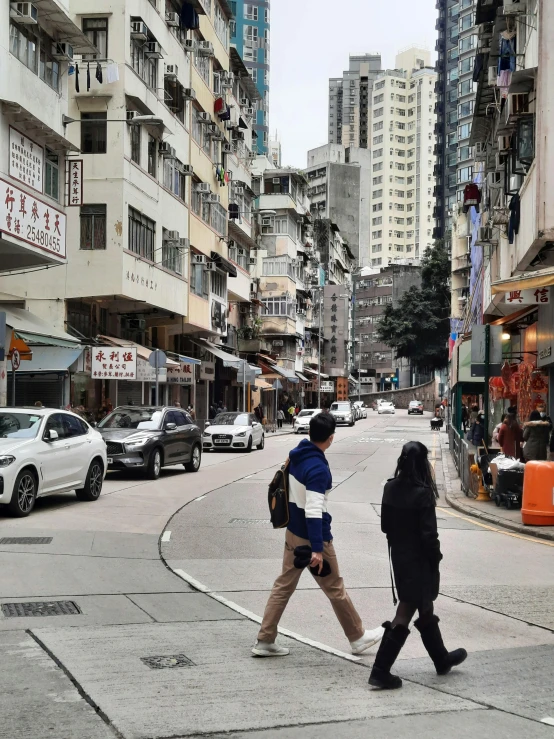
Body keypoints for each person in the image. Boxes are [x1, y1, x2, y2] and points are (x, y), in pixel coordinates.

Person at [252, 413, 384, 658]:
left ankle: (265, 640)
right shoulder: (317, 468)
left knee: (283, 585)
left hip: (293, 533)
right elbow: (314, 510)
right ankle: (357, 637)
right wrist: (317, 549)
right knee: (335, 587)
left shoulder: (296, 455)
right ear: (331, 438)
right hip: (314, 539)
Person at [368, 441, 467, 689]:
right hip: (420, 562)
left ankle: (441, 659)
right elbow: (429, 537)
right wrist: (436, 559)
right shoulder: (423, 494)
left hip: (400, 561)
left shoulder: (390, 488)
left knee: (424, 606)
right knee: (405, 612)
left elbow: (385, 527)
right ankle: (380, 671)